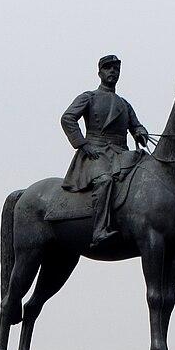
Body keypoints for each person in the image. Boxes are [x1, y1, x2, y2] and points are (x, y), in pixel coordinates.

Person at [60, 54, 149, 246]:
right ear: (99, 72)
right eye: (108, 68)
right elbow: (68, 118)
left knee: (144, 174)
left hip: (121, 154)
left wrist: (141, 132)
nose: (113, 72)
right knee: (105, 181)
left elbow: (136, 126)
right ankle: (99, 229)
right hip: (96, 154)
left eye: (116, 69)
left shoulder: (124, 104)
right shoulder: (89, 97)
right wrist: (83, 144)